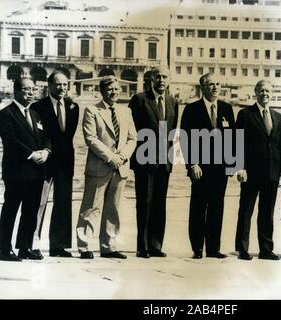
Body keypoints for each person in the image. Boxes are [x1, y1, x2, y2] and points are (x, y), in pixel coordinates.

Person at [76, 76, 137, 259]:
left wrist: (122, 157)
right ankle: (85, 246)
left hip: (120, 168)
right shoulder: (92, 110)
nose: (114, 92)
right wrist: (111, 158)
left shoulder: (126, 111)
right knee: (91, 207)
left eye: (117, 89)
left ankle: (108, 246)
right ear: (102, 91)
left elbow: (132, 138)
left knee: (113, 208)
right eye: (110, 89)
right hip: (99, 167)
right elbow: (91, 138)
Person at [180, 73, 235, 259]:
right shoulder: (192, 109)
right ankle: (197, 247)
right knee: (198, 206)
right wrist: (192, 164)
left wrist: (232, 165)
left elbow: (232, 139)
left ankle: (213, 248)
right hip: (200, 168)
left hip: (220, 169)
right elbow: (185, 139)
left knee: (217, 208)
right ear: (202, 87)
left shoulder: (227, 109)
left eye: (218, 84)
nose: (215, 88)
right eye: (211, 84)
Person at [0, 77, 51, 261]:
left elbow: (46, 137)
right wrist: (32, 154)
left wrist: (46, 151)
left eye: (33, 89)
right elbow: (11, 142)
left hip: (36, 172)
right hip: (16, 171)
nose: (31, 93)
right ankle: (4, 249)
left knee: (31, 210)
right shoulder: (5, 114)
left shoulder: (35, 114)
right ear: (16, 91)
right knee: (11, 209)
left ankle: (24, 247)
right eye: (26, 89)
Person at [128, 66, 179, 258]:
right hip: (144, 160)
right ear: (152, 79)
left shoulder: (173, 101)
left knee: (160, 204)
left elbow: (172, 132)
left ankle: (156, 245)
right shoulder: (140, 99)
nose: (161, 80)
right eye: (158, 77)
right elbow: (131, 131)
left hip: (164, 161)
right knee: (144, 203)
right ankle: (143, 247)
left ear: (169, 80)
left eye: (165, 77)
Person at [235, 80, 281, 261]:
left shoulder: (278, 117)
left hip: (272, 173)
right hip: (251, 172)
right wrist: (239, 167)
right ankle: (242, 248)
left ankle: (266, 249)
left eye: (268, 91)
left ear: (272, 93)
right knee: (246, 210)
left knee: (267, 212)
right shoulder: (245, 114)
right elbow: (237, 142)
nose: (265, 94)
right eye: (261, 90)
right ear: (255, 92)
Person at [31, 70, 79, 258]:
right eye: (58, 84)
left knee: (63, 203)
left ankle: (58, 246)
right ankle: (32, 243)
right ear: (49, 85)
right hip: (45, 162)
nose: (62, 88)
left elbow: (68, 136)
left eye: (65, 85)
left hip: (66, 162)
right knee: (39, 203)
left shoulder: (73, 107)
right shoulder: (38, 107)